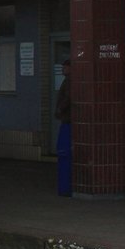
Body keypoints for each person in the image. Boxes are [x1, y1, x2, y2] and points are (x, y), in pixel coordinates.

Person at [55, 59, 72, 197]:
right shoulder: (67, 81)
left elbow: (67, 98)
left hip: (67, 120)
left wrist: (60, 109)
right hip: (67, 119)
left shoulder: (70, 82)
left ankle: (65, 188)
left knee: (64, 153)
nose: (62, 69)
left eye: (65, 66)